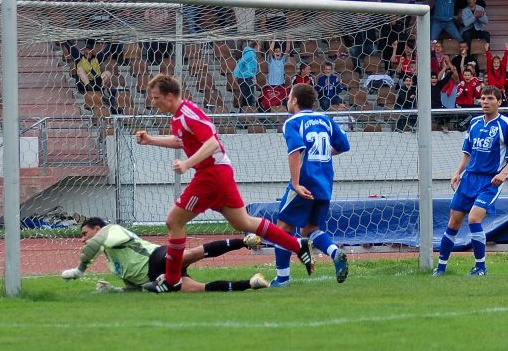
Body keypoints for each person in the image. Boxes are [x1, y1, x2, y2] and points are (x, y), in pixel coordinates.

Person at [136, 75, 313, 293]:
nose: (153, 102)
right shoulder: (179, 116)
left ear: (170, 96)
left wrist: (186, 164)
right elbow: (181, 141)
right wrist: (151, 140)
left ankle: (172, 281)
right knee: (243, 222)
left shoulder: (187, 114)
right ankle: (297, 245)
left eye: (156, 98)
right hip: (219, 172)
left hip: (210, 175)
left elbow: (212, 143)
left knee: (173, 221)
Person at [433, 85, 508, 277]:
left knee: (473, 218)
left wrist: (504, 173)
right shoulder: (474, 123)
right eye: (483, 98)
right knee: (453, 222)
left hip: (490, 182)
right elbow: (467, 153)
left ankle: (480, 267)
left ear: (499, 102)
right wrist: (457, 172)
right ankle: (440, 267)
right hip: (468, 179)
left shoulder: (507, 125)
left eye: (490, 98)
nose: (485, 102)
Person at [271, 83, 350, 287]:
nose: (287, 100)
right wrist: (323, 153)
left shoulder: (292, 122)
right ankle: (335, 253)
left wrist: (296, 184)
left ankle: (282, 279)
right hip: (324, 184)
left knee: (282, 229)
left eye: (289, 96)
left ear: (295, 100)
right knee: (310, 230)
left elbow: (295, 151)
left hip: (305, 183)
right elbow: (343, 145)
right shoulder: (326, 120)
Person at [60, 217, 269, 292]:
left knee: (190, 254)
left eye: (84, 233)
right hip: (155, 278)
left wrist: (79, 271)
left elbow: (92, 247)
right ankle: (251, 283)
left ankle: (244, 241)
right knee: (198, 289)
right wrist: (116, 290)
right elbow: (136, 287)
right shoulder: (111, 260)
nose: (83, 239)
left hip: (155, 257)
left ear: (97, 228)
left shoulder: (110, 230)